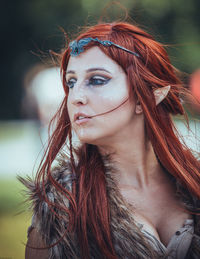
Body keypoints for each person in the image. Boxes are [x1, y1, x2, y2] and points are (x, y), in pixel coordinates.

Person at [19, 21, 200, 259]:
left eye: (97, 80)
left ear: (151, 95)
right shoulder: (62, 207)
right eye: (71, 82)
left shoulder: (193, 183)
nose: (75, 98)